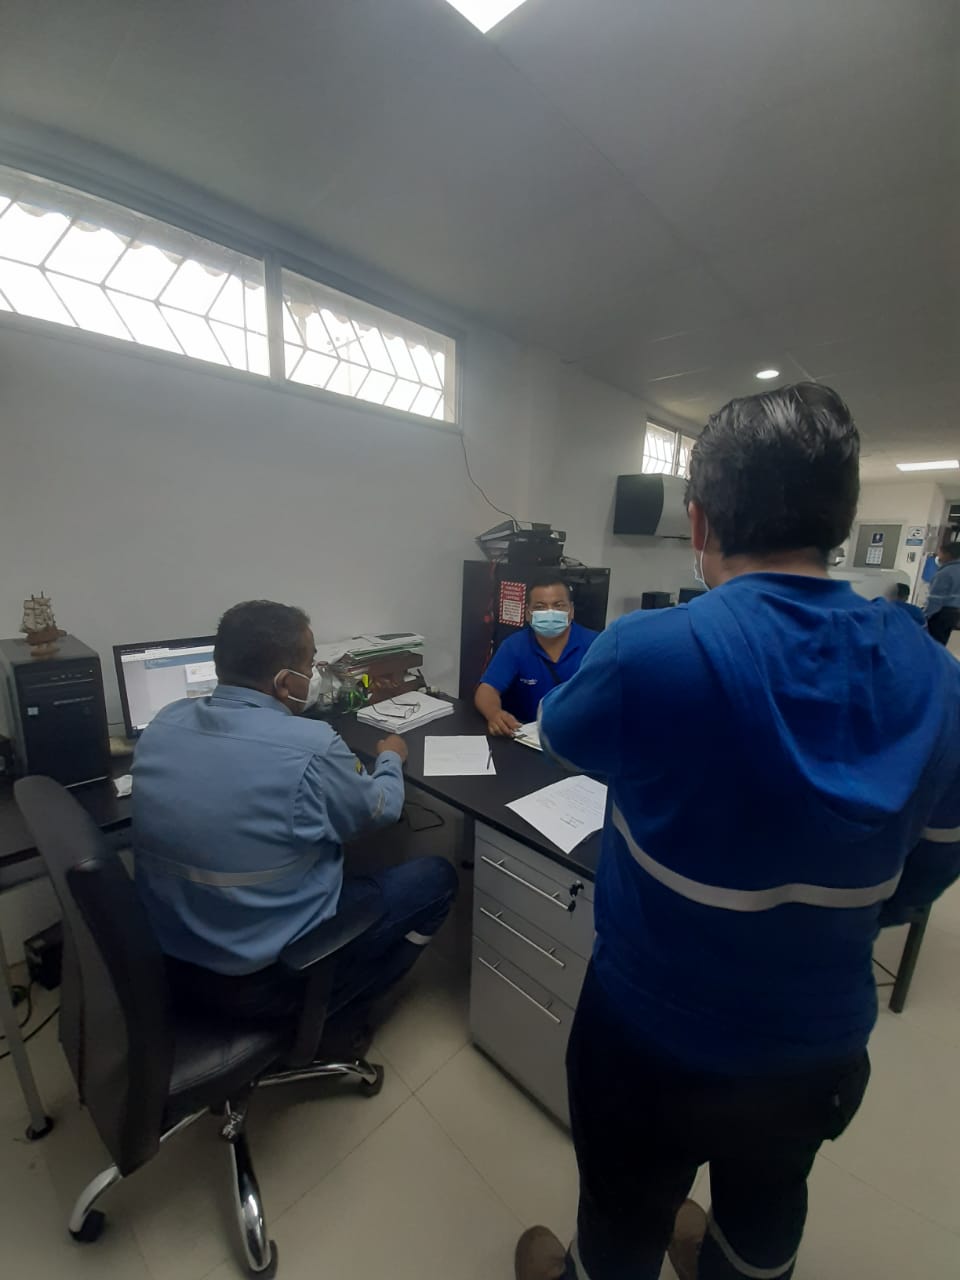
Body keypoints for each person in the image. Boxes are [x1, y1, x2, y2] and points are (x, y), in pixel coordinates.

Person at [516, 384, 960, 1280]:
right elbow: (923, 878)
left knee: (620, 1219)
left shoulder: (648, 651)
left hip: (647, 1030)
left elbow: (559, 735)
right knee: (766, 1212)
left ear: (699, 519)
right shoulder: (942, 683)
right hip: (815, 1045)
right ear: (843, 519)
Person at [133, 599, 458, 1037]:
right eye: (309, 665)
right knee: (437, 877)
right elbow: (382, 809)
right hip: (264, 978)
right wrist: (389, 758)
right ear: (286, 683)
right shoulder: (311, 745)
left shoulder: (164, 723)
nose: (314, 674)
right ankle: (338, 1013)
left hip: (168, 962)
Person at [474, 573, 598, 735]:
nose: (550, 613)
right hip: (527, 736)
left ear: (571, 610)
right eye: (540, 607)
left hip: (579, 736)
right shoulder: (515, 645)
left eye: (558, 605)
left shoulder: (597, 645)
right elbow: (487, 690)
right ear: (528, 613)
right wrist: (494, 714)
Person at [924, 542, 960, 645]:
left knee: (931, 643)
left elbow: (935, 600)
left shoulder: (945, 573)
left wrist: (925, 616)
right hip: (954, 614)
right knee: (941, 642)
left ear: (948, 554)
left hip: (940, 614)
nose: (938, 557)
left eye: (940, 553)